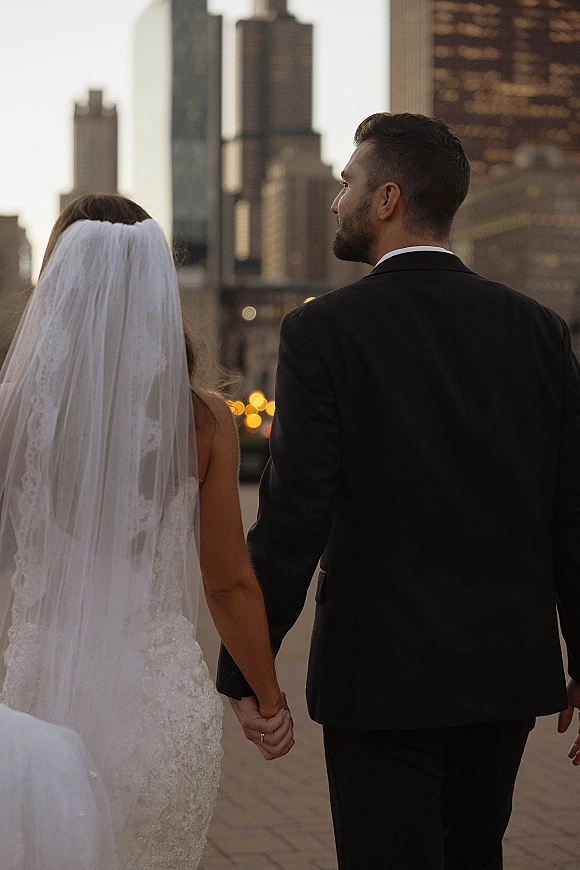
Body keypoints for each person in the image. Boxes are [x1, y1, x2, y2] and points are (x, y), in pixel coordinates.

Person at [217, 112, 580, 869]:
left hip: (379, 677)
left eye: (346, 184)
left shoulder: (325, 333)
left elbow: (293, 519)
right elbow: (570, 513)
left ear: (385, 199)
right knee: (475, 854)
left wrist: (250, 669)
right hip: (506, 674)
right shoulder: (541, 330)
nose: (335, 201)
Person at [0, 193, 293, 870]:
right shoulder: (205, 421)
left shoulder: (13, 413)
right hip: (156, 710)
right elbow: (225, 583)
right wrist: (267, 701)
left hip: (37, 704)